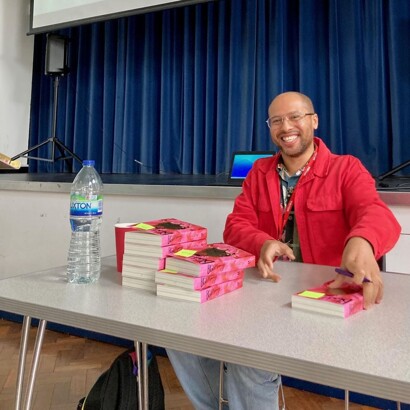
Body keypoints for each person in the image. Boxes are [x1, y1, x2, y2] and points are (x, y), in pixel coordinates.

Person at [166, 91, 401, 410]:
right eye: (276, 120)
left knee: (249, 359)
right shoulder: (259, 172)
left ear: (314, 121)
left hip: (319, 299)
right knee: (179, 335)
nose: (285, 126)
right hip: (262, 293)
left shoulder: (346, 169)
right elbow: (236, 225)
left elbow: (376, 213)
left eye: (295, 117)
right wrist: (261, 242)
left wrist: (362, 240)